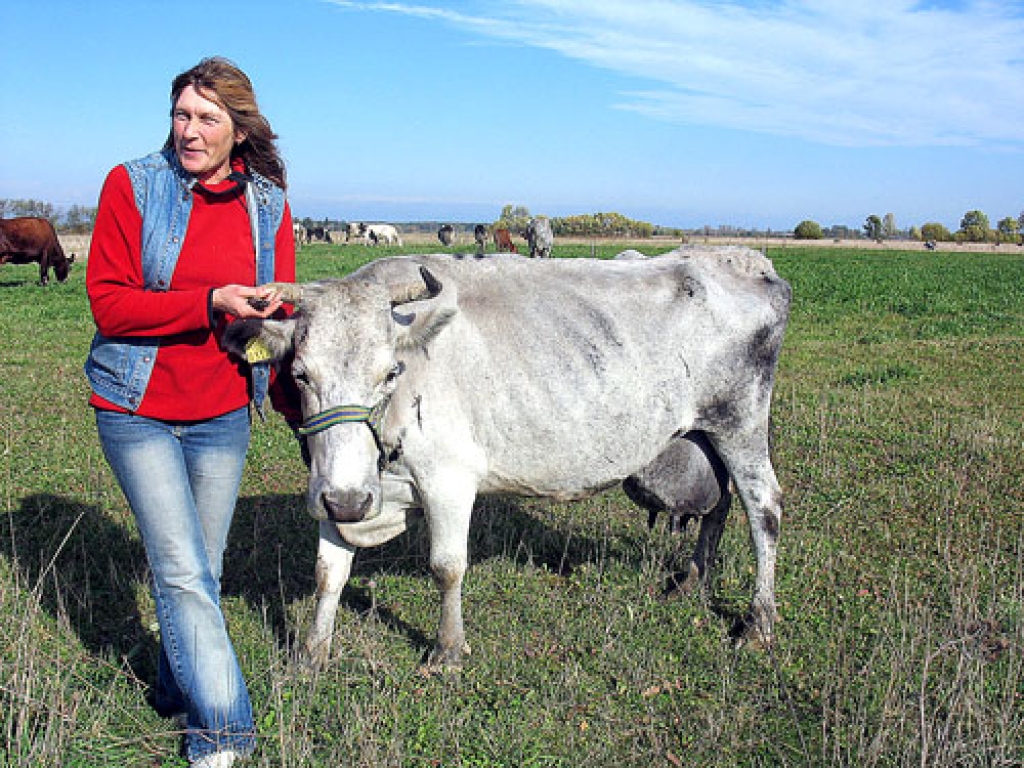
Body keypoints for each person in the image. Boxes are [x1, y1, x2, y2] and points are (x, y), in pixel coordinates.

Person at [84, 57, 300, 768]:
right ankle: (223, 736)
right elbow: (110, 303)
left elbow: (285, 309)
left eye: (207, 118)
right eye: (181, 114)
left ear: (240, 131)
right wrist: (209, 301)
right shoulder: (133, 186)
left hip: (221, 413)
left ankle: (177, 688)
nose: (189, 130)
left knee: (200, 572)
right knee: (181, 573)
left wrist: (273, 325)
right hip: (137, 404)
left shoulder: (267, 204)